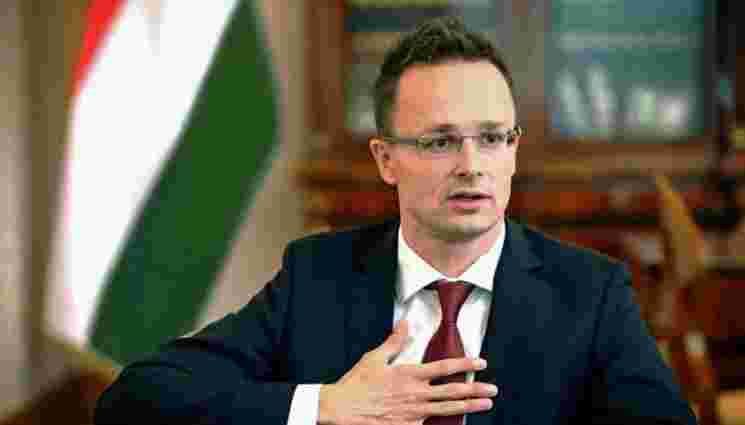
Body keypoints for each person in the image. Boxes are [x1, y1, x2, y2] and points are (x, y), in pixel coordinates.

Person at [95, 17, 696, 425]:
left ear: (513, 150)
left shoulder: (590, 292)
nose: (471, 166)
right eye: (439, 142)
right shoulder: (317, 277)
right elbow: (137, 398)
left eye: (492, 138)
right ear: (386, 160)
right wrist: (324, 407)